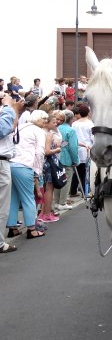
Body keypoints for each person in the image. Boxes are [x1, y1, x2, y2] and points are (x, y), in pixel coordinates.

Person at [6, 109, 48, 239]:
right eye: (44, 119)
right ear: (39, 119)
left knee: (13, 197)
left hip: (10, 163)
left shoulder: (20, 126)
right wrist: (37, 171)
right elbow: (40, 153)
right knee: (28, 197)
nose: (45, 122)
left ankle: (12, 227)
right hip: (25, 164)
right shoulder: (39, 131)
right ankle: (31, 228)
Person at [0, 93, 23, 253]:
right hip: (1, 162)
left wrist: (13, 110)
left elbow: (10, 128)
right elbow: (3, 129)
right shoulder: (5, 111)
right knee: (2, 206)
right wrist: (9, 107)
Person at [37, 114, 63, 223]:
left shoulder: (40, 132)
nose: (56, 123)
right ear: (46, 123)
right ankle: (47, 214)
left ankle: (43, 212)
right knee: (49, 189)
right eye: (53, 122)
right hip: (48, 164)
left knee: (45, 189)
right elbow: (47, 152)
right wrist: (57, 150)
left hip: (42, 164)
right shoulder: (48, 134)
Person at [54, 110, 79, 211]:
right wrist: (75, 160)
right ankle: (62, 202)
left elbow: (62, 143)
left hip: (56, 156)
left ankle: (56, 202)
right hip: (67, 158)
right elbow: (73, 147)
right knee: (66, 180)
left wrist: (65, 144)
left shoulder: (57, 127)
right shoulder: (71, 130)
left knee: (57, 179)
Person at [70, 104, 94, 196]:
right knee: (85, 171)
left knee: (77, 171)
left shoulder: (74, 124)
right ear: (88, 113)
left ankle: (73, 190)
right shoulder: (90, 124)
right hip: (87, 149)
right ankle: (85, 191)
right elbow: (93, 137)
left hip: (77, 148)